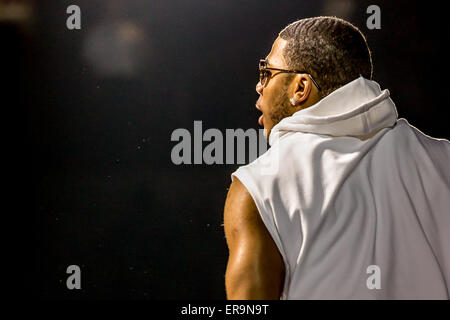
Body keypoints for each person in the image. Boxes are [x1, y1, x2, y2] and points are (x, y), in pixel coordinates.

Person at [223, 16, 450, 300]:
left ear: (300, 89)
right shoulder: (443, 159)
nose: (259, 86)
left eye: (266, 73)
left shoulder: (258, 186)